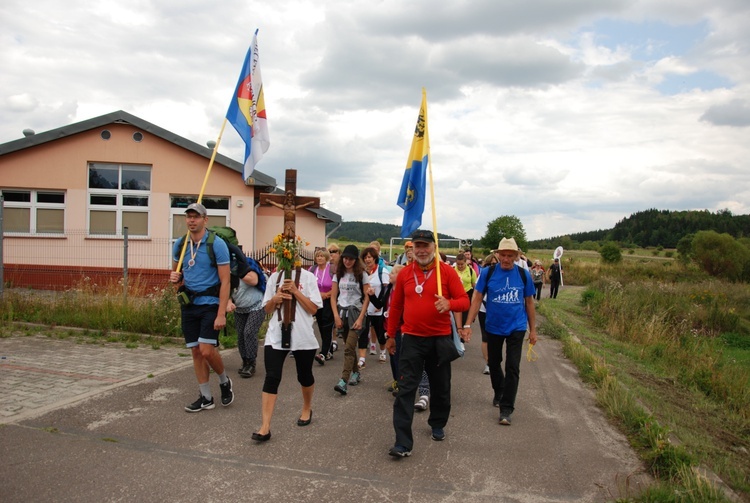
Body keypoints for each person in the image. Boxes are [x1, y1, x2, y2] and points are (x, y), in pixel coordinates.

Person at [385, 229, 470, 457]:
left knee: (441, 387)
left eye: (426, 246)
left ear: (434, 248)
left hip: (439, 339)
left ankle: (438, 424)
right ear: (412, 249)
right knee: (405, 389)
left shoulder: (446, 273)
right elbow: (396, 307)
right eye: (417, 246)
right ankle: (402, 442)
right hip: (411, 338)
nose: (421, 250)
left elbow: (464, 300)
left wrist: (449, 304)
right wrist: (391, 334)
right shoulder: (404, 274)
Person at [461, 237, 537, 426]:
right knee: (494, 363)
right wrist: (468, 324)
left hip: (516, 327)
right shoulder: (488, 273)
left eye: (510, 255)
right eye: (502, 255)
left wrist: (533, 330)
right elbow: (477, 299)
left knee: (513, 366)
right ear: (497, 255)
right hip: (493, 325)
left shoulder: (523, 274)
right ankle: (499, 390)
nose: (506, 259)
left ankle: (506, 408)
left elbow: (529, 302)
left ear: (516, 256)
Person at [169, 203, 234, 412]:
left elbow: (226, 281)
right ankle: (206, 397)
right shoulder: (180, 244)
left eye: (196, 217)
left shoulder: (217, 244)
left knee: (207, 350)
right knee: (196, 351)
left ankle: (224, 381)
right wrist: (174, 278)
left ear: (205, 220)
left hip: (211, 304)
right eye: (188, 217)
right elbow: (176, 275)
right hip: (189, 304)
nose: (191, 220)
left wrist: (221, 313)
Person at [251, 262, 323, 442]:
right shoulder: (274, 278)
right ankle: (265, 427)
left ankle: (307, 407)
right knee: (272, 376)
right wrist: (275, 300)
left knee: (304, 375)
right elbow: (266, 309)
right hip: (276, 333)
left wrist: (296, 292)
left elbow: (314, 308)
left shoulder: (308, 277)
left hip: (302, 334)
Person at [331, 244, 371, 395]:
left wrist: (361, 318)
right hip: (342, 312)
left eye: (351, 259)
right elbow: (334, 297)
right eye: (345, 258)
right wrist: (336, 316)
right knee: (349, 345)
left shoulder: (362, 274)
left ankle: (343, 381)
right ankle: (356, 372)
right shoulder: (338, 274)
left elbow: (367, 297)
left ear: (356, 260)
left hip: (356, 313)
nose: (348, 261)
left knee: (348, 348)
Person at [227, 256, 266, 378]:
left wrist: (237, 272)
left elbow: (254, 280)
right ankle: (245, 361)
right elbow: (225, 289)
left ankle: (251, 363)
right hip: (239, 307)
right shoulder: (223, 271)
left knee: (249, 332)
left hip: (257, 305)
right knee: (240, 335)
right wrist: (229, 301)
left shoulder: (247, 266)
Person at [362, 246, 390, 364]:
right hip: (366, 307)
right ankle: (363, 356)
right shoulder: (363, 273)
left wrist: (381, 304)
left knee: (380, 332)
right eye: (365, 257)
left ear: (375, 258)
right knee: (364, 331)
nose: (367, 260)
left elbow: (386, 289)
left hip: (378, 307)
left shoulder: (381, 271)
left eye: (370, 257)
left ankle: (383, 352)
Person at [310, 248, 335, 364]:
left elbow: (336, 286)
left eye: (322, 256)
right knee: (320, 326)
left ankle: (323, 353)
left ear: (326, 258)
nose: (319, 258)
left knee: (327, 326)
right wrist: (318, 295)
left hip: (329, 301)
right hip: (316, 301)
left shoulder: (332, 270)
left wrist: (326, 295)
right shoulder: (312, 269)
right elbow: (308, 285)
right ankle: (329, 350)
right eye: (318, 256)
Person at [478, 252, 499, 375]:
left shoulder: (503, 275)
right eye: (490, 264)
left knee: (496, 338)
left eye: (495, 264)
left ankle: (495, 362)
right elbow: (477, 295)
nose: (493, 266)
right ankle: (488, 363)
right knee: (485, 337)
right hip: (484, 309)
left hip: (497, 311)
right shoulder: (483, 274)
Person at [453, 254, 477, 328]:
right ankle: (457, 330)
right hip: (456, 294)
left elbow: (474, 285)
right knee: (456, 316)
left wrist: (474, 298)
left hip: (467, 293)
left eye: (462, 264)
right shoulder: (452, 270)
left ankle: (463, 331)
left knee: (465, 316)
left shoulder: (471, 271)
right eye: (458, 264)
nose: (460, 266)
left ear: (465, 262)